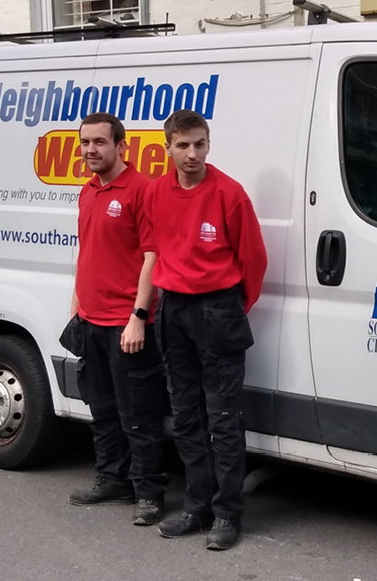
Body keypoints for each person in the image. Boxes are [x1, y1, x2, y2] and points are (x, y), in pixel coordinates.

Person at [147, 109, 268, 550]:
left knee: (223, 419)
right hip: (173, 311)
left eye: (199, 143)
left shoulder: (230, 195)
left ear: (209, 144)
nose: (191, 153)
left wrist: (233, 307)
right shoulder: (157, 192)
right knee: (186, 417)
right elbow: (156, 249)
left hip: (218, 310)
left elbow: (253, 262)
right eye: (182, 145)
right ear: (169, 149)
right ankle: (196, 507)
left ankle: (226, 514)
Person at [65, 113, 167, 526]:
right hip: (90, 319)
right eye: (86, 142)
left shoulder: (141, 190)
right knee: (102, 408)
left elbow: (152, 257)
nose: (91, 150)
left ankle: (150, 492)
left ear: (121, 146)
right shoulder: (87, 191)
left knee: (138, 413)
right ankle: (112, 480)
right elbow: (87, 252)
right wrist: (76, 303)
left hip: (127, 323)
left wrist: (139, 316)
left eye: (100, 142)